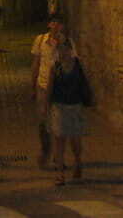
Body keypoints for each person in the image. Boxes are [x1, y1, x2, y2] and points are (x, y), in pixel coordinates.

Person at [31, 12, 76, 167]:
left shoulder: (67, 42)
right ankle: (45, 151)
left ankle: (58, 157)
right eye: (54, 22)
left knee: (59, 123)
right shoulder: (40, 40)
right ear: (49, 24)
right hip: (43, 85)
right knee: (43, 122)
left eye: (59, 23)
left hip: (60, 88)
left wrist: (62, 46)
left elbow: (72, 63)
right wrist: (33, 85)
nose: (56, 26)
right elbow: (36, 63)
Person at [48, 36, 92, 184]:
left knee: (75, 141)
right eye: (59, 50)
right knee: (59, 141)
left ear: (70, 50)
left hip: (75, 107)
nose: (62, 53)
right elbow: (49, 87)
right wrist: (47, 106)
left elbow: (84, 84)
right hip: (59, 107)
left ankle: (78, 161)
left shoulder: (78, 65)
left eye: (64, 49)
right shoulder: (55, 67)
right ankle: (60, 174)